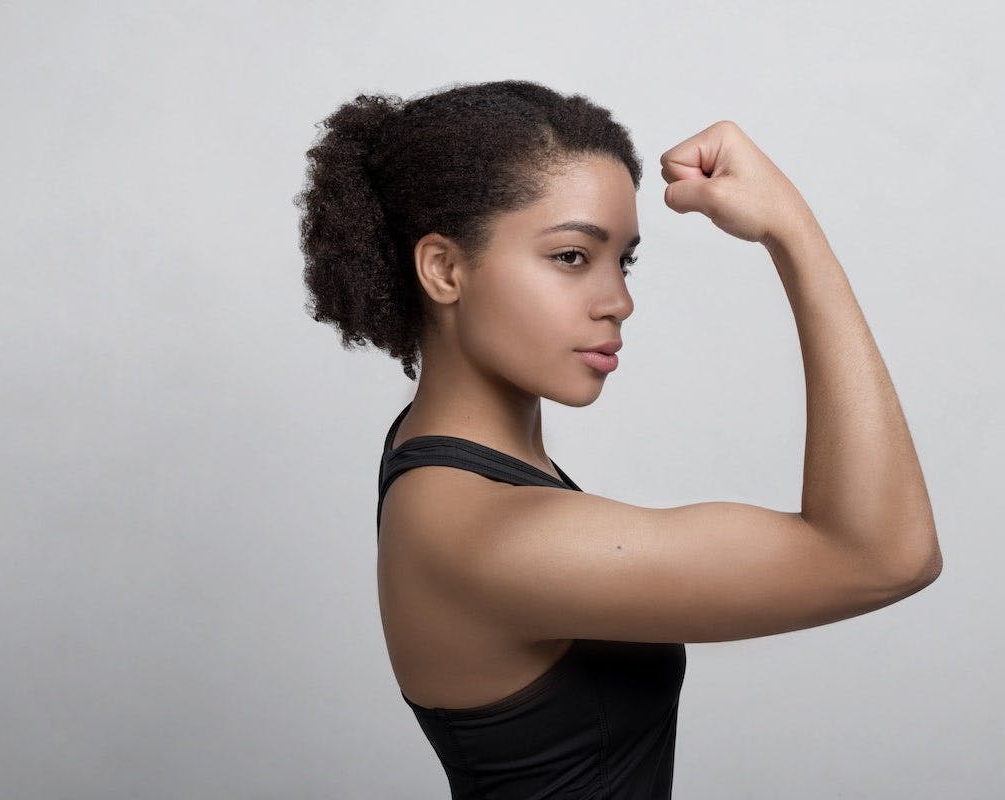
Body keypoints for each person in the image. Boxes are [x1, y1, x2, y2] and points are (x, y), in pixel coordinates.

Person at [294, 80, 942, 799]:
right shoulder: (486, 535)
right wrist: (792, 230)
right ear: (445, 269)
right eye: (572, 256)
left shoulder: (449, 465)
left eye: (623, 261)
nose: (619, 301)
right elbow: (885, 554)